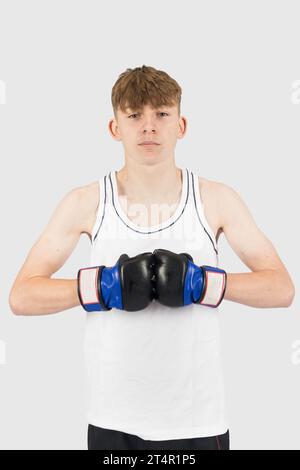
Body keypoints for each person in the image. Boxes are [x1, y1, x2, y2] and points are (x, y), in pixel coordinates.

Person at [9, 65, 295, 451]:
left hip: (198, 419)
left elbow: (281, 288)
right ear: (115, 128)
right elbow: (22, 296)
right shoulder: (85, 202)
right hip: (112, 419)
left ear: (181, 125)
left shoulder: (216, 199)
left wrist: (205, 283)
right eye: (134, 115)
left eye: (161, 113)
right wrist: (101, 287)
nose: (148, 127)